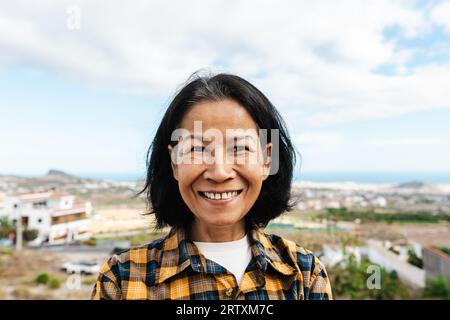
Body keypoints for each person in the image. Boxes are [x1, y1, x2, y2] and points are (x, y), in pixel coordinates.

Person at [91, 72, 332, 300]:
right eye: (196, 149)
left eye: (239, 148)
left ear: (267, 160)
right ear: (175, 163)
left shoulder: (304, 274)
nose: (219, 172)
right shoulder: (121, 280)